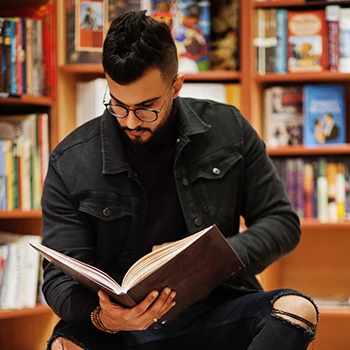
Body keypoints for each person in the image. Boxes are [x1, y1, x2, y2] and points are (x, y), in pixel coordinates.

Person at [42, 10, 318, 350]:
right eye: (118, 104)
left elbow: (282, 223)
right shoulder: (70, 161)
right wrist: (103, 317)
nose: (130, 122)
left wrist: (208, 259)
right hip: (122, 327)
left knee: (297, 310)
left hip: (218, 307)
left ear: (176, 86)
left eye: (146, 107)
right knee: (63, 347)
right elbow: (56, 278)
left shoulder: (228, 129)